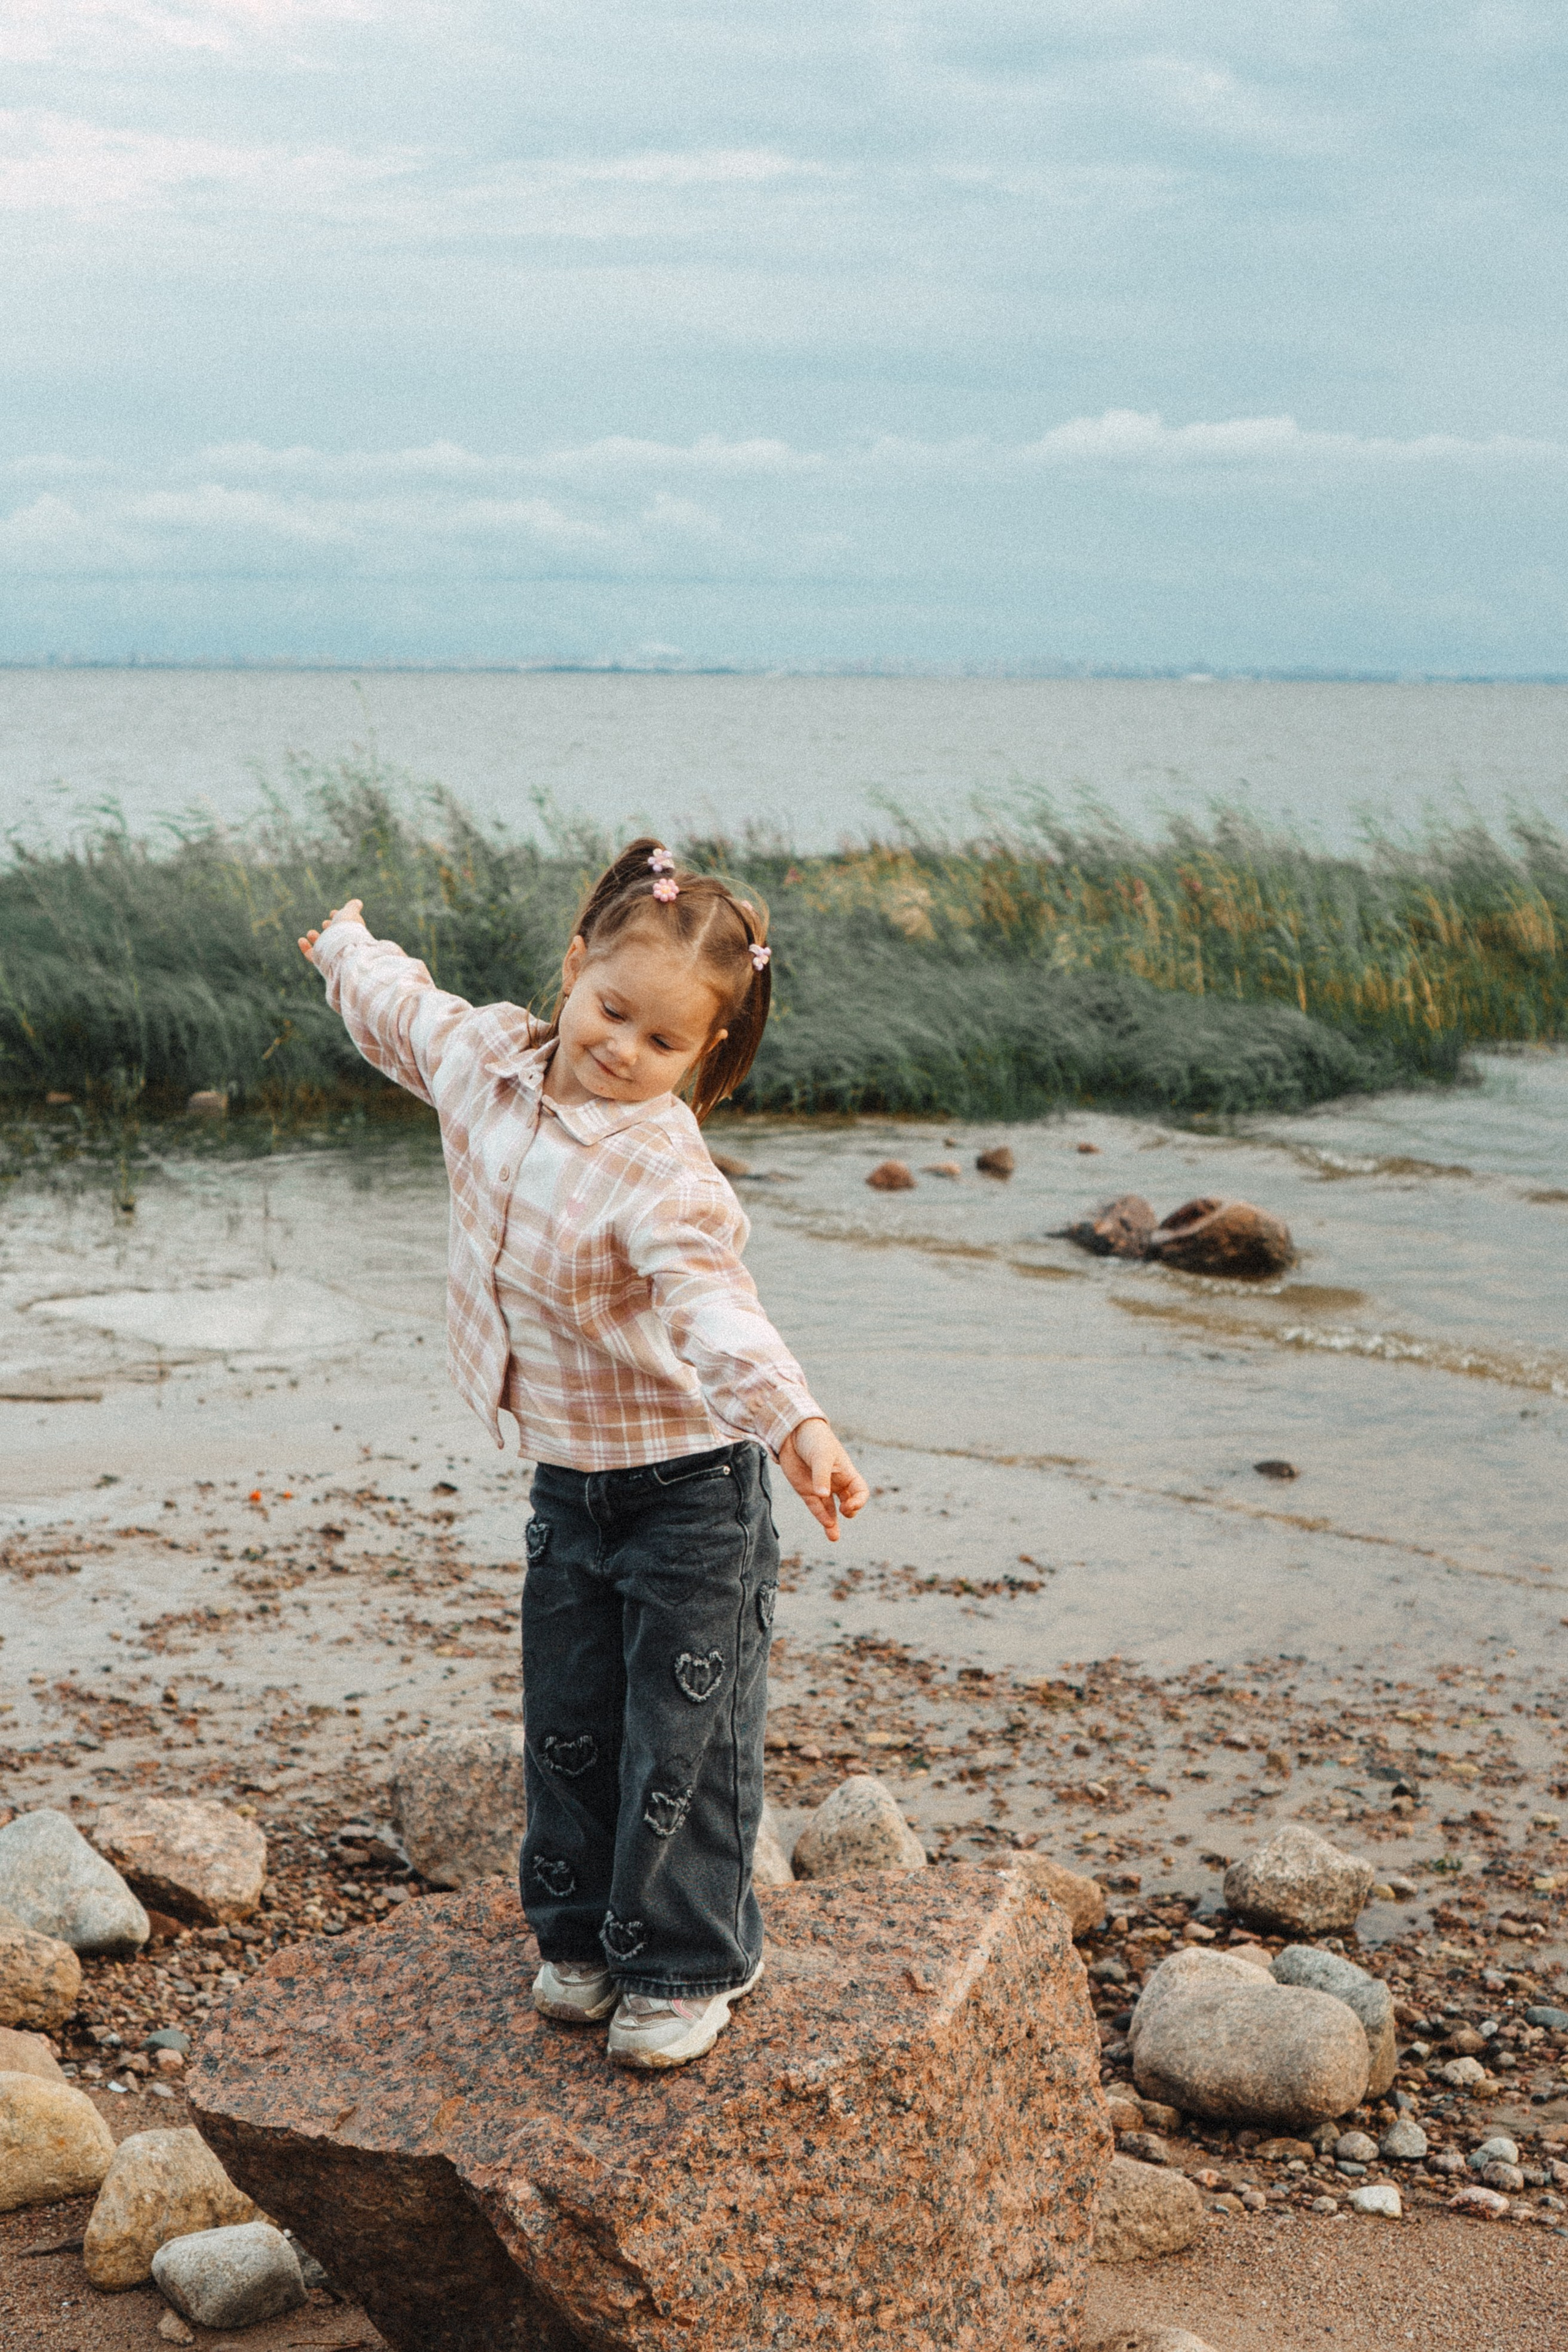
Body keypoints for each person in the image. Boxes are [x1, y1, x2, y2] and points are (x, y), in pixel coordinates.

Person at [298, 838, 867, 2068]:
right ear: (573, 968)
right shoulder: (487, 1062)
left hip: (693, 1495)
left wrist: (797, 1424)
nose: (621, 1050)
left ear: (703, 1053)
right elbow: (404, 1013)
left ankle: (689, 1963)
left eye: (662, 1041)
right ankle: (581, 1940)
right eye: (611, 1011)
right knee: (566, 1721)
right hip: (571, 1483)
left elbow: (715, 1308)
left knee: (682, 1737)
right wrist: (343, 946)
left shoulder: (663, 1170)